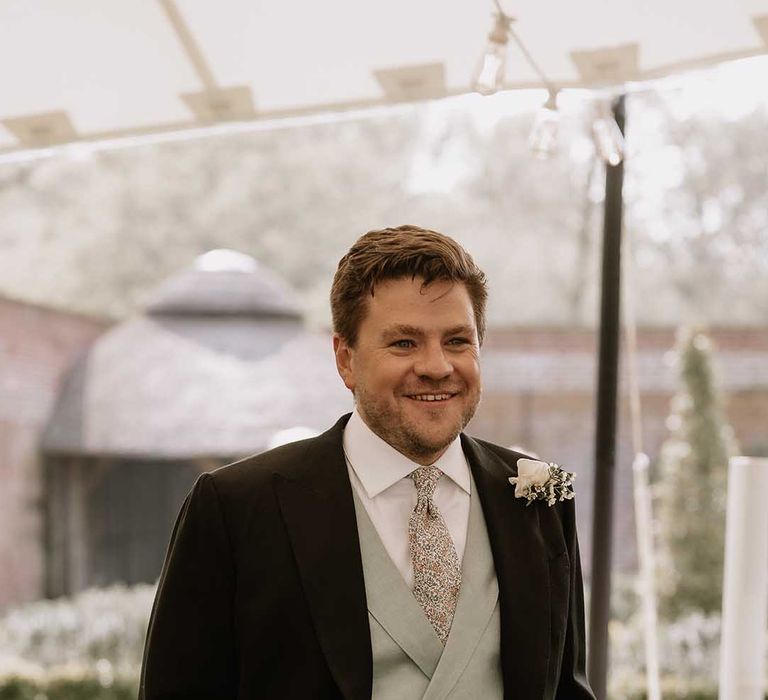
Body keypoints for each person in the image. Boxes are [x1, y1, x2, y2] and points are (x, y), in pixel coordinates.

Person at [140, 225, 595, 700]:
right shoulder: (234, 508)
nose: (437, 366)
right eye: (404, 343)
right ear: (345, 359)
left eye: (458, 341)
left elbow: (567, 688)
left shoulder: (540, 498)